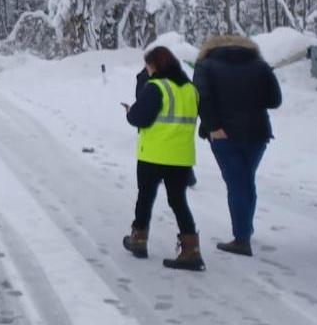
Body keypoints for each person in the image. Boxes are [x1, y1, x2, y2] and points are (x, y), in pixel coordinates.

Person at [194, 36, 283, 257]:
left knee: (237, 183)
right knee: (245, 180)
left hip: (223, 134)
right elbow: (275, 100)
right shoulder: (260, 65)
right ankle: (245, 228)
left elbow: (201, 99)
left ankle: (242, 239)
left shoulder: (205, 66)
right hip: (257, 133)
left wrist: (213, 126)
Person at [121, 46, 205, 271]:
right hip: (181, 156)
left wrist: (130, 113)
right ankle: (191, 248)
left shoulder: (156, 87)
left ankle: (139, 238)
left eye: (148, 65)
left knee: (145, 198)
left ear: (156, 65)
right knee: (178, 201)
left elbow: (141, 118)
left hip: (154, 154)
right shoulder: (190, 89)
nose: (147, 70)